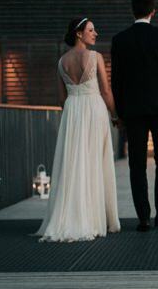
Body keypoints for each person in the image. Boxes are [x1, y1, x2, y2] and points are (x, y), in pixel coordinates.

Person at [36, 17, 121, 242]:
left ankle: (73, 215)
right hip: (94, 109)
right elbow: (106, 91)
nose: (95, 33)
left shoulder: (61, 62)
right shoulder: (95, 57)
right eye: (91, 30)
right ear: (79, 33)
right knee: (94, 162)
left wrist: (73, 113)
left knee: (73, 163)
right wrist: (115, 115)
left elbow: (61, 99)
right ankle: (94, 218)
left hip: (72, 112)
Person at [111, 0, 158, 232]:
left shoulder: (120, 40)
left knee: (137, 164)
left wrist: (119, 112)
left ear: (132, 11)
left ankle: (143, 217)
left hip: (133, 111)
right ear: (153, 11)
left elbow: (117, 80)